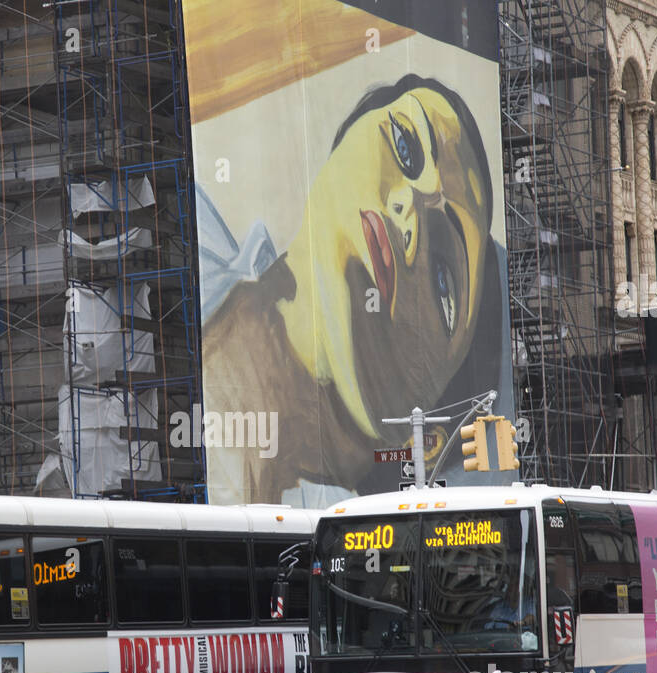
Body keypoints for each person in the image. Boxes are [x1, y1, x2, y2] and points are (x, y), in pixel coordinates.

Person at [200, 74, 504, 503]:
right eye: (406, 146)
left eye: (443, 282)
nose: (410, 212)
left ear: (426, 440)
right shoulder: (172, 234)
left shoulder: (342, 546)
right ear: (342, 144)